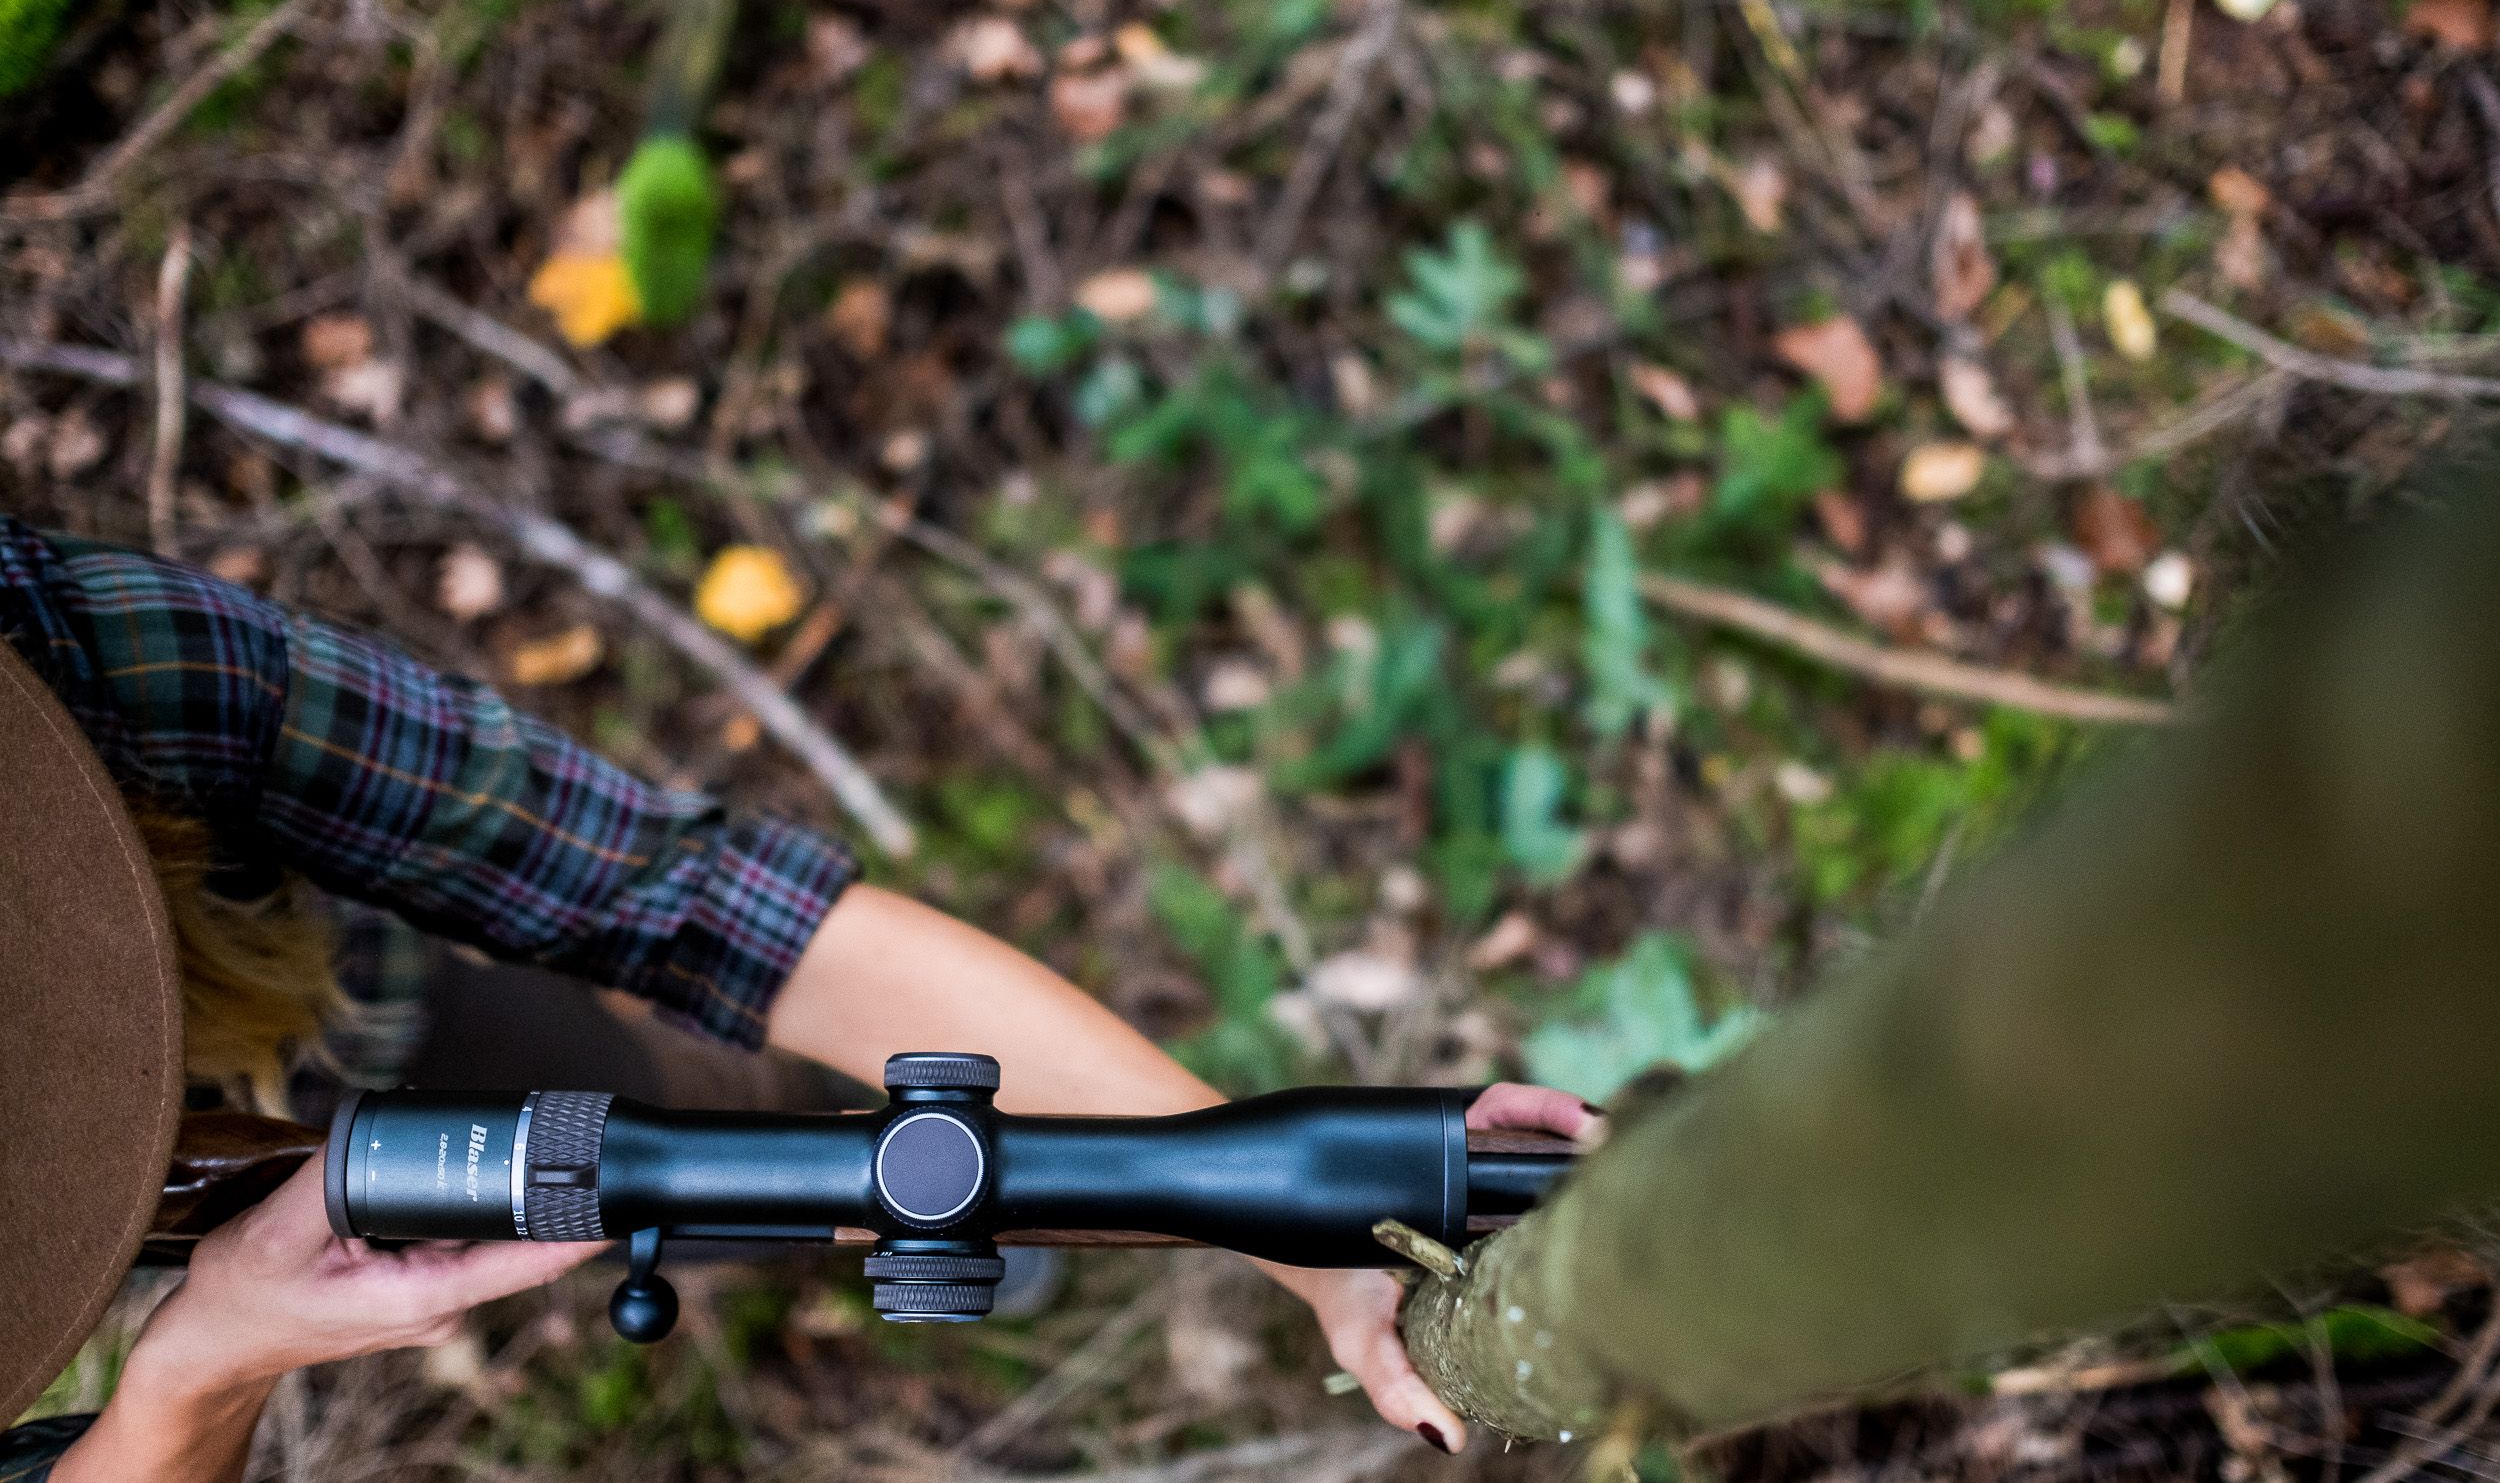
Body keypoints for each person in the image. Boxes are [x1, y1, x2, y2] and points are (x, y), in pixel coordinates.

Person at [0, 513, 1596, 1482]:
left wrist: (1276, 1216)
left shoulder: (96, 657)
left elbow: (711, 910)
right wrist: (196, 1376)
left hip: (302, 974)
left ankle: (815, 1190)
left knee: (638, 1140)